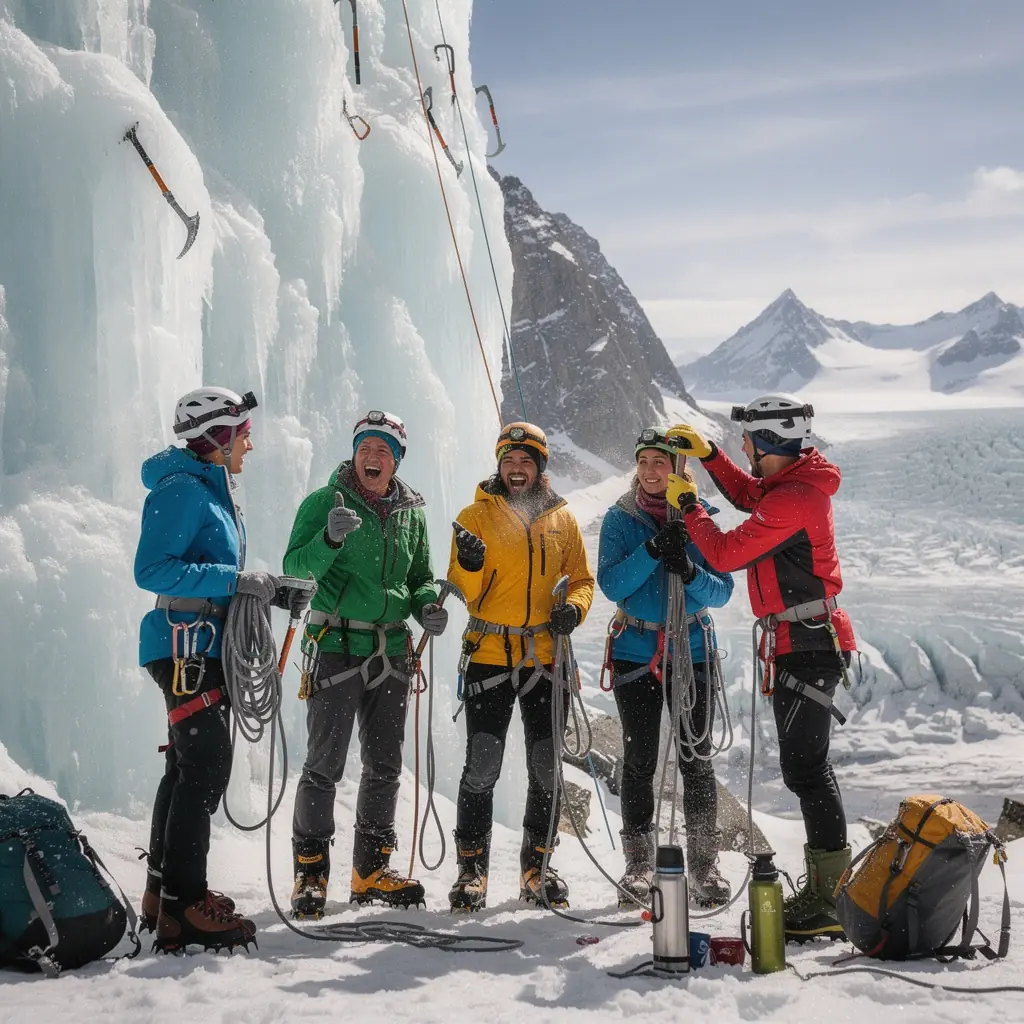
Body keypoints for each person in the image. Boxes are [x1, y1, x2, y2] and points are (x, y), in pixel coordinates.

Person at [664, 395, 857, 941]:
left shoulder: (794, 499)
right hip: (803, 641)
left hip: (806, 644)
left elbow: (725, 554)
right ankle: (830, 892)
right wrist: (709, 457)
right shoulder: (792, 487)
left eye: (746, 440)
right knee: (809, 769)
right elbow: (750, 495)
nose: (742, 447)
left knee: (807, 771)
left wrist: (689, 507)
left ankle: (829, 899)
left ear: (767, 441)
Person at [283, 411, 446, 916]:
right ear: (354, 453)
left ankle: (370, 871)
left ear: (397, 459)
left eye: (382, 451)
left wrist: (426, 606)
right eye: (365, 448)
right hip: (336, 644)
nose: (372, 457)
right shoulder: (324, 502)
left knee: (385, 766)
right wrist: (329, 540)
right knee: (324, 764)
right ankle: (310, 873)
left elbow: (420, 577)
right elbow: (295, 568)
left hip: (393, 649)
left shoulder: (412, 514)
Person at [135, 386, 276, 953]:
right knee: (206, 767)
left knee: (186, 768)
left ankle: (163, 893)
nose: (249, 445)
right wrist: (234, 580)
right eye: (243, 434)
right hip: (185, 647)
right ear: (217, 438)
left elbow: (207, 571)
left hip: (199, 645)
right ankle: (184, 904)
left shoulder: (208, 490)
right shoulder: (183, 490)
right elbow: (152, 569)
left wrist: (260, 588)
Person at [446, 422, 595, 912]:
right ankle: (471, 871)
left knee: (546, 768)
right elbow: (462, 589)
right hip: (489, 653)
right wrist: (469, 564)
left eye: (525, 461)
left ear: (539, 467)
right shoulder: (475, 516)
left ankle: (538, 868)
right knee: (483, 764)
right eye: (508, 460)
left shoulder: (562, 519)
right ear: (499, 465)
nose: (515, 468)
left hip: (546, 656)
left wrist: (574, 609)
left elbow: (582, 580)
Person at [597, 427, 735, 908]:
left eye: (660, 462)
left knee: (696, 757)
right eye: (644, 462)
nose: (651, 471)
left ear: (679, 469)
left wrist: (690, 571)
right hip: (638, 650)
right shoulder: (620, 518)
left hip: (690, 649)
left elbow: (722, 590)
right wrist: (654, 550)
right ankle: (638, 865)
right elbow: (612, 585)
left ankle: (704, 865)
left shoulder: (701, 517)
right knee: (639, 759)